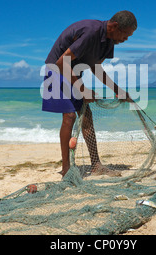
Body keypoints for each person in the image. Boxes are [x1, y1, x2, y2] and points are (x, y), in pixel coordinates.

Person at [42, 10, 137, 177]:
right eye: (126, 35)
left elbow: (96, 68)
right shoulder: (91, 32)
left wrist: (118, 91)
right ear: (114, 26)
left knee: (86, 117)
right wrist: (83, 89)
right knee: (69, 116)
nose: (126, 39)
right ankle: (66, 169)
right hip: (56, 70)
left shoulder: (109, 42)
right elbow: (61, 62)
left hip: (72, 72)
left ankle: (96, 165)